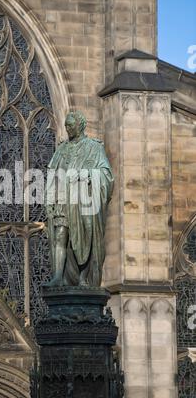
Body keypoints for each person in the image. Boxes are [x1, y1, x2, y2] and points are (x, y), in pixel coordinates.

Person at [45, 111, 114, 287]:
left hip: (85, 202)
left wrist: (87, 176)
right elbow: (53, 174)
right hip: (64, 199)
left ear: (80, 125)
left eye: (70, 125)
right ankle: (58, 276)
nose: (67, 128)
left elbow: (106, 174)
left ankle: (84, 277)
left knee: (88, 236)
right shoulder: (61, 149)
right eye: (66, 125)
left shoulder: (94, 147)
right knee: (60, 234)